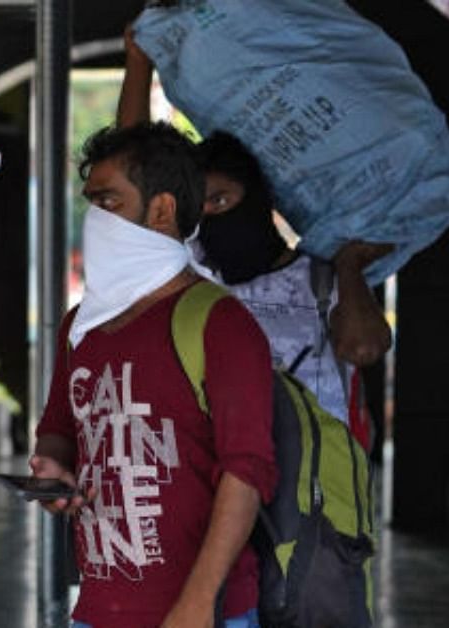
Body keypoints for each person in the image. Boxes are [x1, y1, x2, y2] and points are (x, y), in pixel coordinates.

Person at [30, 122, 277, 628]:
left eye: (109, 202)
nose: (94, 219)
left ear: (162, 210)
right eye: (91, 204)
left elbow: (246, 472)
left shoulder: (221, 323)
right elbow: (58, 425)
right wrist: (53, 469)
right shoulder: (82, 324)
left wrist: (197, 603)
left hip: (204, 612)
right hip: (98, 611)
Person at [118, 26, 392, 442]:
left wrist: (350, 267)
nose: (211, 217)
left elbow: (364, 348)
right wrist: (138, 63)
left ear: (258, 200)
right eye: (201, 207)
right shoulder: (192, 269)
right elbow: (131, 180)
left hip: (311, 493)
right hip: (220, 483)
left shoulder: (321, 281)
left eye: (223, 201)